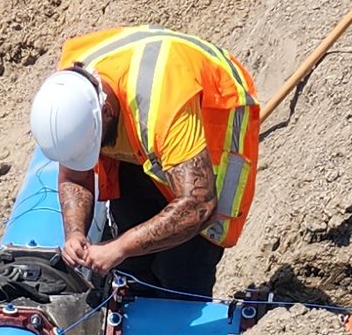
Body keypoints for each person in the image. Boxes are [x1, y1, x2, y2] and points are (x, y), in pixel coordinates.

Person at [27, 24, 262, 303]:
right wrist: (75, 234)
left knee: (182, 269)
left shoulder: (165, 111)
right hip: (144, 127)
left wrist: (120, 247)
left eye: (95, 144)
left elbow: (199, 204)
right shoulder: (71, 93)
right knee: (132, 263)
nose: (96, 152)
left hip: (213, 113)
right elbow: (76, 177)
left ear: (107, 112)